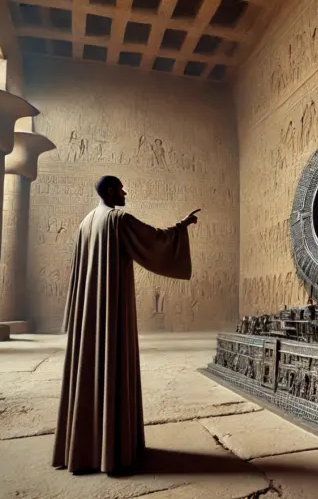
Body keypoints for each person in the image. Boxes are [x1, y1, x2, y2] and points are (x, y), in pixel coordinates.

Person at [53, 176, 200, 475]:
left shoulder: (86, 222)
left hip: (89, 316)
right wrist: (182, 226)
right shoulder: (118, 219)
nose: (124, 193)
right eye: (120, 189)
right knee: (111, 365)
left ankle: (83, 452)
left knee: (88, 371)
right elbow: (156, 240)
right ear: (110, 191)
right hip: (110, 310)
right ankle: (112, 451)